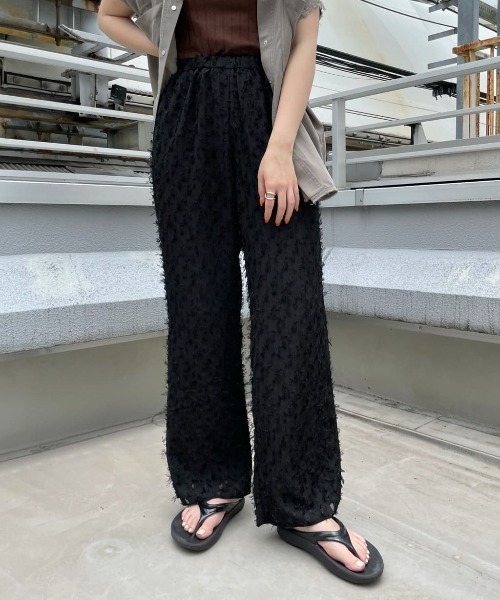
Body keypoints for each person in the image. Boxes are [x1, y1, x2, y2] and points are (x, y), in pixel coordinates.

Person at [98, 0, 383, 585]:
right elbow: (110, 14)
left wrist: (278, 149)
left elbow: (303, 41)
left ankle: (302, 502)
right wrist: (166, 47)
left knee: (290, 311)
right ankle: (214, 481)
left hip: (272, 116)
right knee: (198, 310)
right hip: (186, 122)